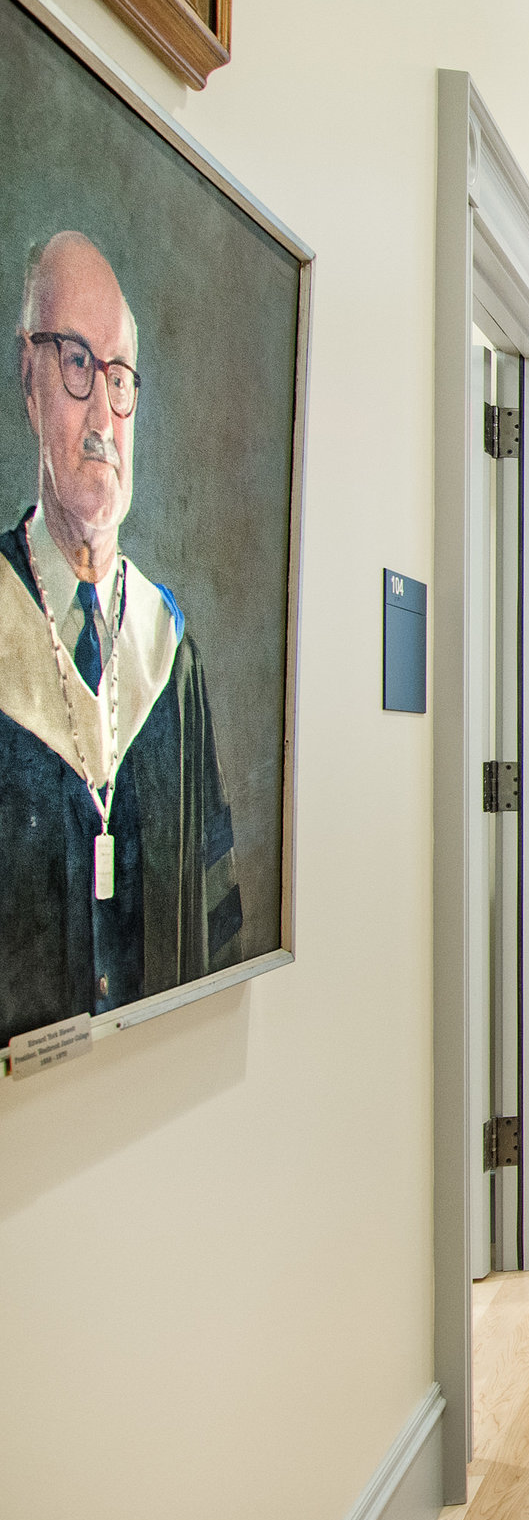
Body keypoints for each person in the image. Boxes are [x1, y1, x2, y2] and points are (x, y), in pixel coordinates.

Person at [1, 231, 238, 1041]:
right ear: (28, 381)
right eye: (75, 363)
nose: (104, 414)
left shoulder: (170, 652)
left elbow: (218, 923)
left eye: (121, 377)